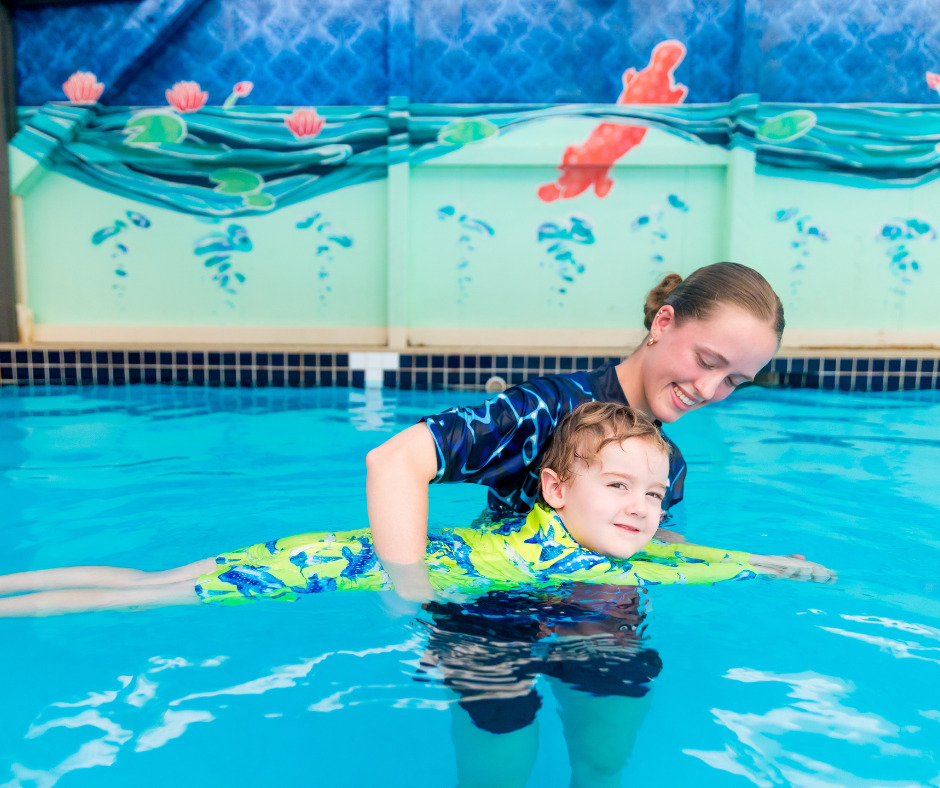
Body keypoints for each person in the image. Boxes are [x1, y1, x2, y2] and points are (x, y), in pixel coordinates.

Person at [0, 403, 833, 617]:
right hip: (332, 568)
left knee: (156, 579)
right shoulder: (567, 550)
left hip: (337, 548)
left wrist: (767, 564)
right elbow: (669, 568)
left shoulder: (595, 540)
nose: (641, 509)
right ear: (554, 489)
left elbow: (683, 556)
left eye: (652, 495)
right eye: (616, 487)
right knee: (152, 594)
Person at [367, 262, 806, 601]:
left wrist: (755, 564)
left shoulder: (668, 464)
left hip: (597, 607)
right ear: (663, 323)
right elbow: (394, 461)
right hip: (497, 604)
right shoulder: (544, 410)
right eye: (708, 361)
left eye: (734, 381)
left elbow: (657, 547)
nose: (710, 390)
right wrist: (412, 591)